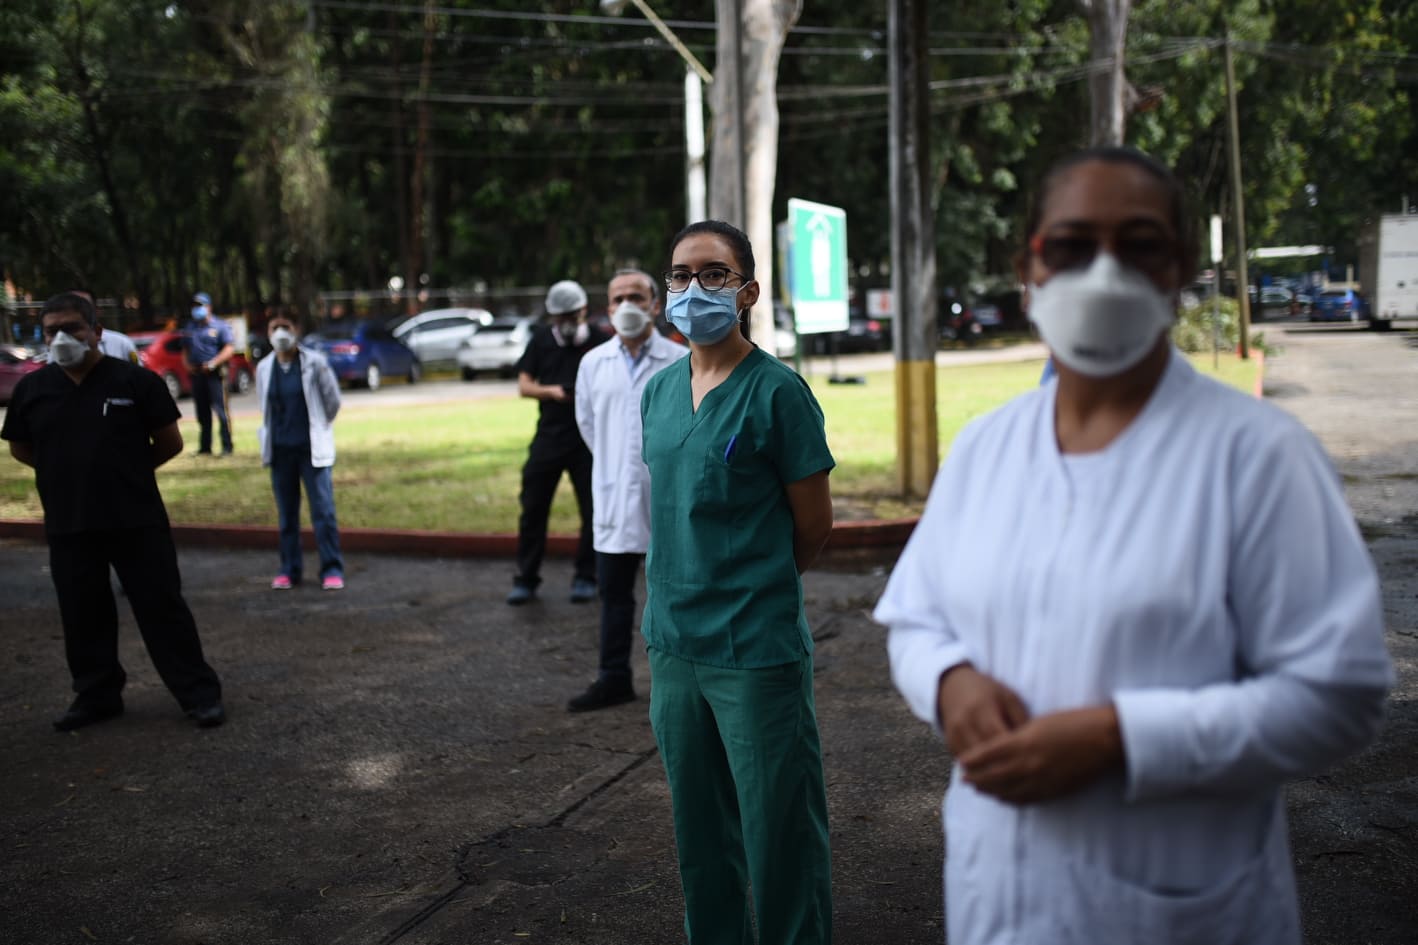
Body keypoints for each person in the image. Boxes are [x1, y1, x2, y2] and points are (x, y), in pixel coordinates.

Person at [873, 147, 1393, 945]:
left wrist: (1123, 737)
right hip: (996, 893)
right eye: (1073, 244)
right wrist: (950, 683)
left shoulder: (1257, 455)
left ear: (1181, 266)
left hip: (1177, 907)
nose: (1104, 270)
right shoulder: (984, 449)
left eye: (1140, 243)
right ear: (1030, 265)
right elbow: (916, 618)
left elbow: (1337, 693)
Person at [640, 221, 836, 942]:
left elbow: (812, 527)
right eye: (681, 274)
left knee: (779, 836)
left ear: (749, 291)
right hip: (674, 646)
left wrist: (752, 592)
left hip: (755, 652)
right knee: (701, 837)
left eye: (714, 274)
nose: (694, 288)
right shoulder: (659, 394)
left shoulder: (779, 393)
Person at [1, 292, 225, 731]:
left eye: (72, 328)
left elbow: (170, 442)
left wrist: (126, 474)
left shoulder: (134, 382)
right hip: (69, 522)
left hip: (135, 518)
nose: (62, 338)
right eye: (52, 331)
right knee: (81, 611)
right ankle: (96, 695)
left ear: (97, 332)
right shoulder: (33, 389)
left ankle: (199, 694)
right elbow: (23, 448)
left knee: (162, 607)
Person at [568, 269, 688, 712]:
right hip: (615, 496)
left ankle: (680, 683)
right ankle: (614, 677)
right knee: (615, 596)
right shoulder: (592, 364)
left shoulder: (680, 362)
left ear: (656, 305)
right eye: (618, 299)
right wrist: (619, 464)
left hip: (668, 502)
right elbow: (589, 427)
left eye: (637, 297)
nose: (627, 306)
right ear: (607, 309)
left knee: (673, 596)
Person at [507, 279, 607, 606]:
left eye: (571, 316)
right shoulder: (539, 341)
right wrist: (551, 392)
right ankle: (526, 578)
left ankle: (585, 577)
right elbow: (524, 386)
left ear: (583, 312)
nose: (566, 324)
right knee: (533, 509)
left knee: (593, 511)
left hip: (587, 442)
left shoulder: (599, 341)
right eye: (559, 318)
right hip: (548, 438)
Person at [255, 312, 345, 591]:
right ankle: (289, 569)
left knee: (323, 512)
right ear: (268, 333)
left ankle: (331, 568)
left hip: (310, 450)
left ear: (297, 330)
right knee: (287, 515)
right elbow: (264, 407)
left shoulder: (315, 364)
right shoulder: (264, 368)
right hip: (281, 451)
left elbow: (332, 402)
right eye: (275, 327)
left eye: (286, 326)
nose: (281, 332)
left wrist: (319, 424)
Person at [183, 291, 235, 455]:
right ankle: (205, 447)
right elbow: (184, 349)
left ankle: (227, 446)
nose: (197, 309)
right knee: (202, 412)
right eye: (194, 306)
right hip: (197, 374)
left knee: (221, 411)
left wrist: (213, 363)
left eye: (200, 306)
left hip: (215, 374)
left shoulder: (220, 326)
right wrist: (187, 364)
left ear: (209, 307)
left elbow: (229, 348)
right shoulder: (190, 327)